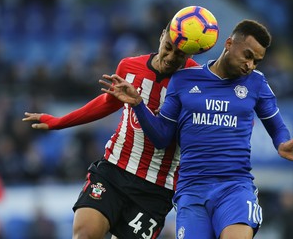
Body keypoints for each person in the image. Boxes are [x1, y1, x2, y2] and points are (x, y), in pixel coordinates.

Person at [100, 19, 293, 239]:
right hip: (191, 190)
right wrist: (138, 104)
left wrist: (282, 142)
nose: (250, 65)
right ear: (229, 43)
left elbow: (276, 125)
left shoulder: (256, 83)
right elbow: (162, 137)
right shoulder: (183, 80)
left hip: (235, 187)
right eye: (248, 56)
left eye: (256, 61)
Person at [22, 21, 199, 238]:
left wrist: (138, 104)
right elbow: (108, 102)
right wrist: (60, 122)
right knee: (85, 234)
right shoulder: (129, 66)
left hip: (156, 188)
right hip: (114, 169)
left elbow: (162, 138)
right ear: (162, 36)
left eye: (180, 55)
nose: (170, 58)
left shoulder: (195, 81)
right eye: (168, 47)